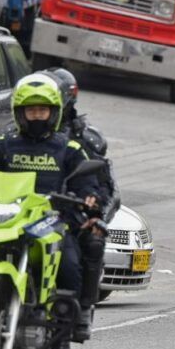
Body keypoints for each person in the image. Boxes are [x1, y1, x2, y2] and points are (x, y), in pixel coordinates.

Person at [0, 73, 101, 349]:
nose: (37, 116)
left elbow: (88, 182)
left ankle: (61, 337)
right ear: (20, 113)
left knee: (68, 265)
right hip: (5, 217)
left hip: (50, 219)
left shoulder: (69, 148)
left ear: (53, 112)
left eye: (42, 110)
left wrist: (90, 197)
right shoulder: (4, 146)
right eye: (31, 111)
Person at [44, 67, 117, 316]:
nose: (38, 111)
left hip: (67, 214)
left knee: (92, 242)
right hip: (23, 209)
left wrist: (94, 210)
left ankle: (82, 310)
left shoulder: (84, 140)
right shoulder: (15, 133)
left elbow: (104, 185)